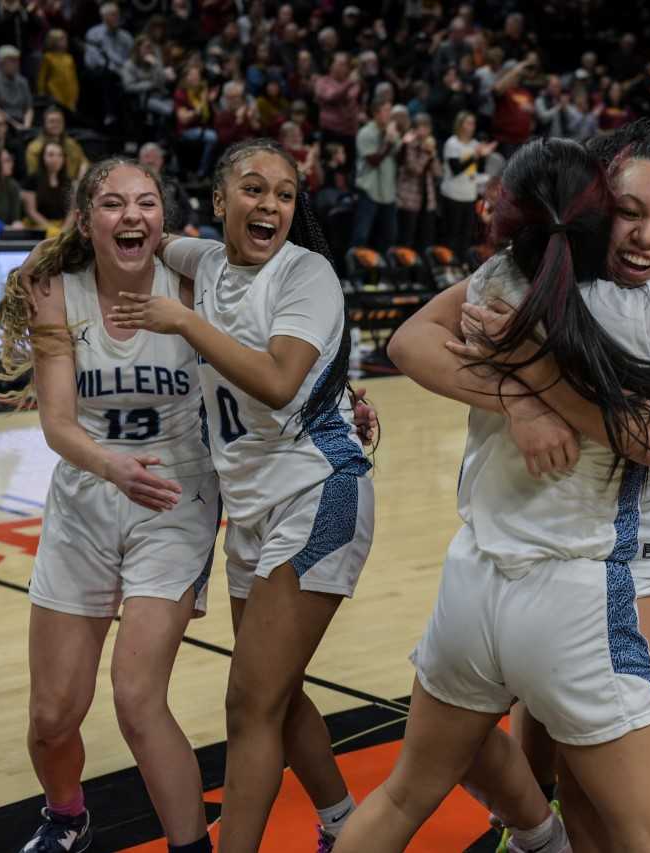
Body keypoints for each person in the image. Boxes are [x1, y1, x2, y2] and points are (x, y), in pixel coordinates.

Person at [334, 137, 650, 853]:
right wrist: (535, 388)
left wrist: (521, 376)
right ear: (596, 208)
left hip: (473, 580)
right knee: (647, 840)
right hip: (583, 597)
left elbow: (407, 342)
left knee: (404, 794)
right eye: (629, 212)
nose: (647, 235)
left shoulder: (502, 280)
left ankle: (533, 835)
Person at [109, 138, 371, 853]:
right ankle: (346, 825)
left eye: (285, 195)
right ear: (221, 201)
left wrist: (187, 323)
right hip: (253, 504)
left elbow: (282, 379)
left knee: (248, 701)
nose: (272, 206)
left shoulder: (307, 272)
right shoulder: (207, 259)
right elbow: (141, 234)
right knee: (276, 698)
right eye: (254, 190)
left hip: (318, 491)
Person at [0, 156, 219, 853]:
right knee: (53, 714)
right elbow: (59, 422)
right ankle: (67, 817)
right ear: (88, 220)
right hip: (90, 493)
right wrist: (111, 465)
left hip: (175, 498)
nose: (132, 216)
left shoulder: (191, 282)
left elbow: (267, 359)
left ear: (162, 220)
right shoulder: (57, 288)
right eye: (114, 204)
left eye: (146, 203)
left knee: (137, 696)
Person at [440, 110, 493, 256]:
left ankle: (462, 266)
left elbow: (474, 172)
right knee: (452, 234)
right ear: (460, 125)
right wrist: (475, 155)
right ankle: (448, 266)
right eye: (468, 123)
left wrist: (483, 157)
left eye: (473, 123)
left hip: (469, 196)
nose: (472, 126)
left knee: (466, 235)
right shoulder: (452, 143)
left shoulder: (475, 144)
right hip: (453, 195)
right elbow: (455, 169)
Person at [351, 100, 401, 251]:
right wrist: (389, 143)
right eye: (386, 111)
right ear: (376, 113)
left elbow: (400, 159)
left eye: (390, 111)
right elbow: (373, 161)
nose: (389, 115)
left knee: (390, 235)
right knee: (361, 234)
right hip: (369, 189)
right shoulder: (365, 133)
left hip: (388, 191)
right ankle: (356, 273)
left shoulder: (392, 132)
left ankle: (382, 272)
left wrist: (399, 141)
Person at [396, 112, 441, 249]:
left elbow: (438, 172)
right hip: (409, 199)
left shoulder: (429, 146)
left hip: (427, 200)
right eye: (421, 127)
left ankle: (421, 269)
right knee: (407, 238)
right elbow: (414, 169)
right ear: (414, 129)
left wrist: (432, 155)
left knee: (425, 239)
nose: (424, 131)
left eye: (426, 127)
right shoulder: (409, 145)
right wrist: (427, 154)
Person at [172, 64, 218, 178]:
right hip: (186, 130)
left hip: (204, 127)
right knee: (212, 137)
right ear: (185, 78)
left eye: (197, 75)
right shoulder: (181, 93)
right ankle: (201, 173)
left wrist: (210, 101)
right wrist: (198, 109)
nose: (196, 78)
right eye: (193, 75)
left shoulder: (202, 92)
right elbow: (183, 119)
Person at [23, 141, 74, 236]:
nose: (56, 159)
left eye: (60, 155)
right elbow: (31, 211)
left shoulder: (67, 181)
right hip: (38, 228)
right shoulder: (32, 180)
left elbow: (72, 210)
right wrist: (51, 229)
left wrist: (63, 230)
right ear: (43, 158)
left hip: (63, 228)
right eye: (51, 155)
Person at [0, 45, 33, 132]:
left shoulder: (22, 81)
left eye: (17, 61)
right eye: (13, 61)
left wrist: (26, 126)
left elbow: (29, 108)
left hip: (21, 122)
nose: (17, 64)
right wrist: (15, 125)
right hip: (2, 123)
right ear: (1, 63)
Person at [25, 106, 89, 181]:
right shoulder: (34, 148)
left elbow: (84, 162)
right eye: (52, 121)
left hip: (73, 186)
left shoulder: (71, 143)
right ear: (44, 124)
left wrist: (81, 177)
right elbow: (33, 176)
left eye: (59, 121)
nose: (56, 125)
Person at [37, 29, 80, 114]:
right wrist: (41, 92)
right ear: (53, 41)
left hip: (69, 93)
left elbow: (73, 77)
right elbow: (42, 77)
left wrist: (76, 92)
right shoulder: (48, 57)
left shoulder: (69, 58)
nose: (65, 42)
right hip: (55, 92)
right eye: (61, 40)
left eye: (65, 39)